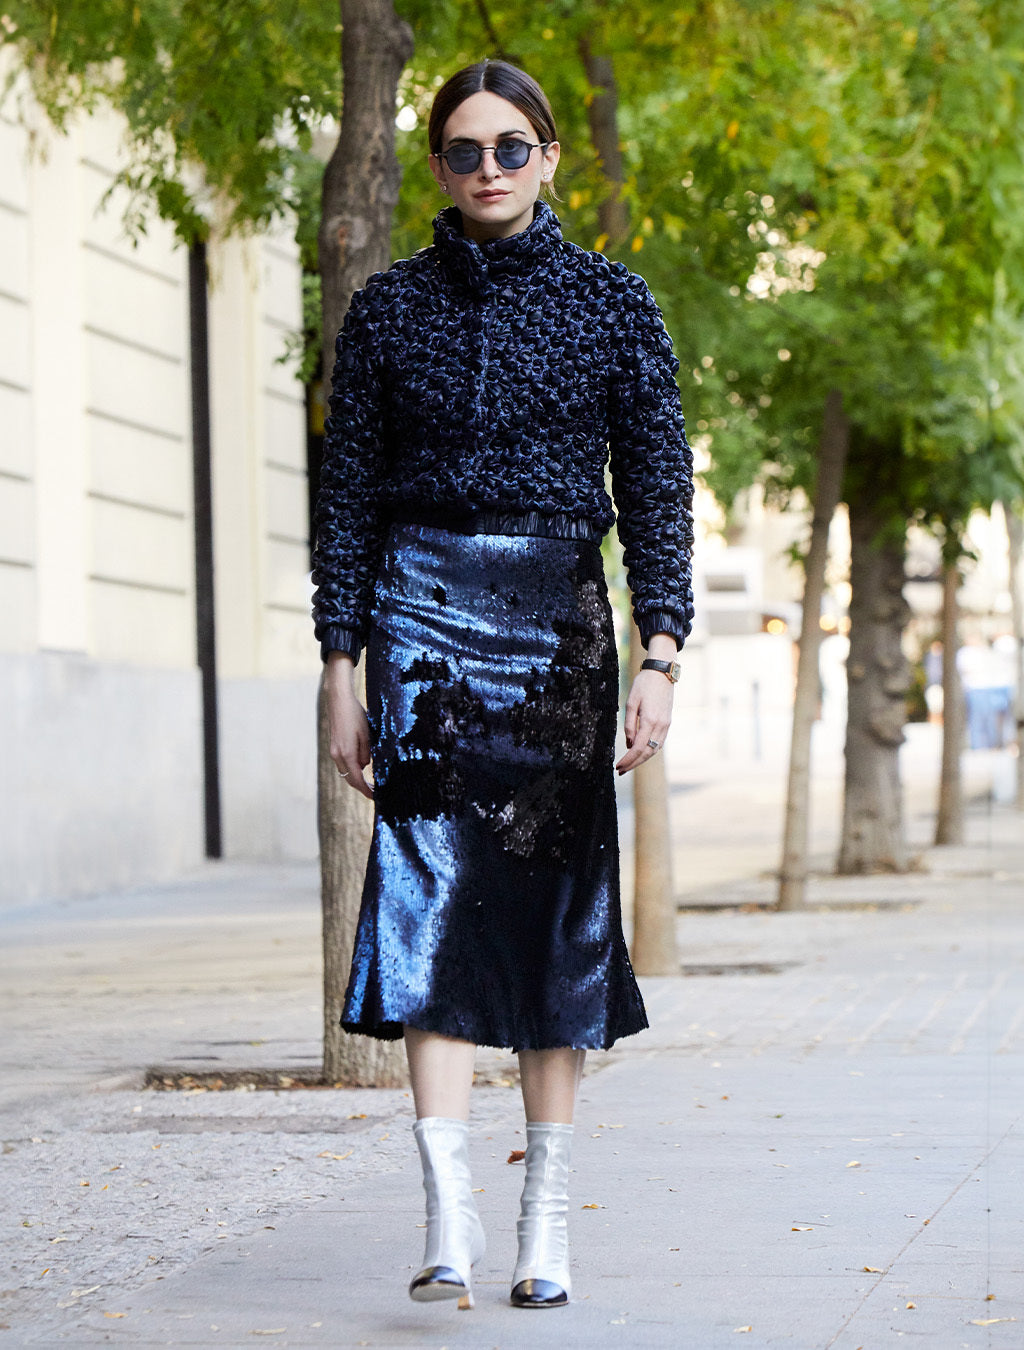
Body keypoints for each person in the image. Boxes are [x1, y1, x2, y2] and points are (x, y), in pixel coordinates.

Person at [311, 59, 693, 1311]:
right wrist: (338, 664)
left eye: (511, 148)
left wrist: (663, 653)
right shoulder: (386, 312)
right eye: (466, 151)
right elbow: (348, 498)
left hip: (559, 634)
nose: (488, 170)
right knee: (427, 899)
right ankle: (446, 1219)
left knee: (554, 914)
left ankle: (546, 1224)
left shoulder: (615, 305)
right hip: (417, 625)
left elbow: (656, 491)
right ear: (436, 167)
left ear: (548, 158)